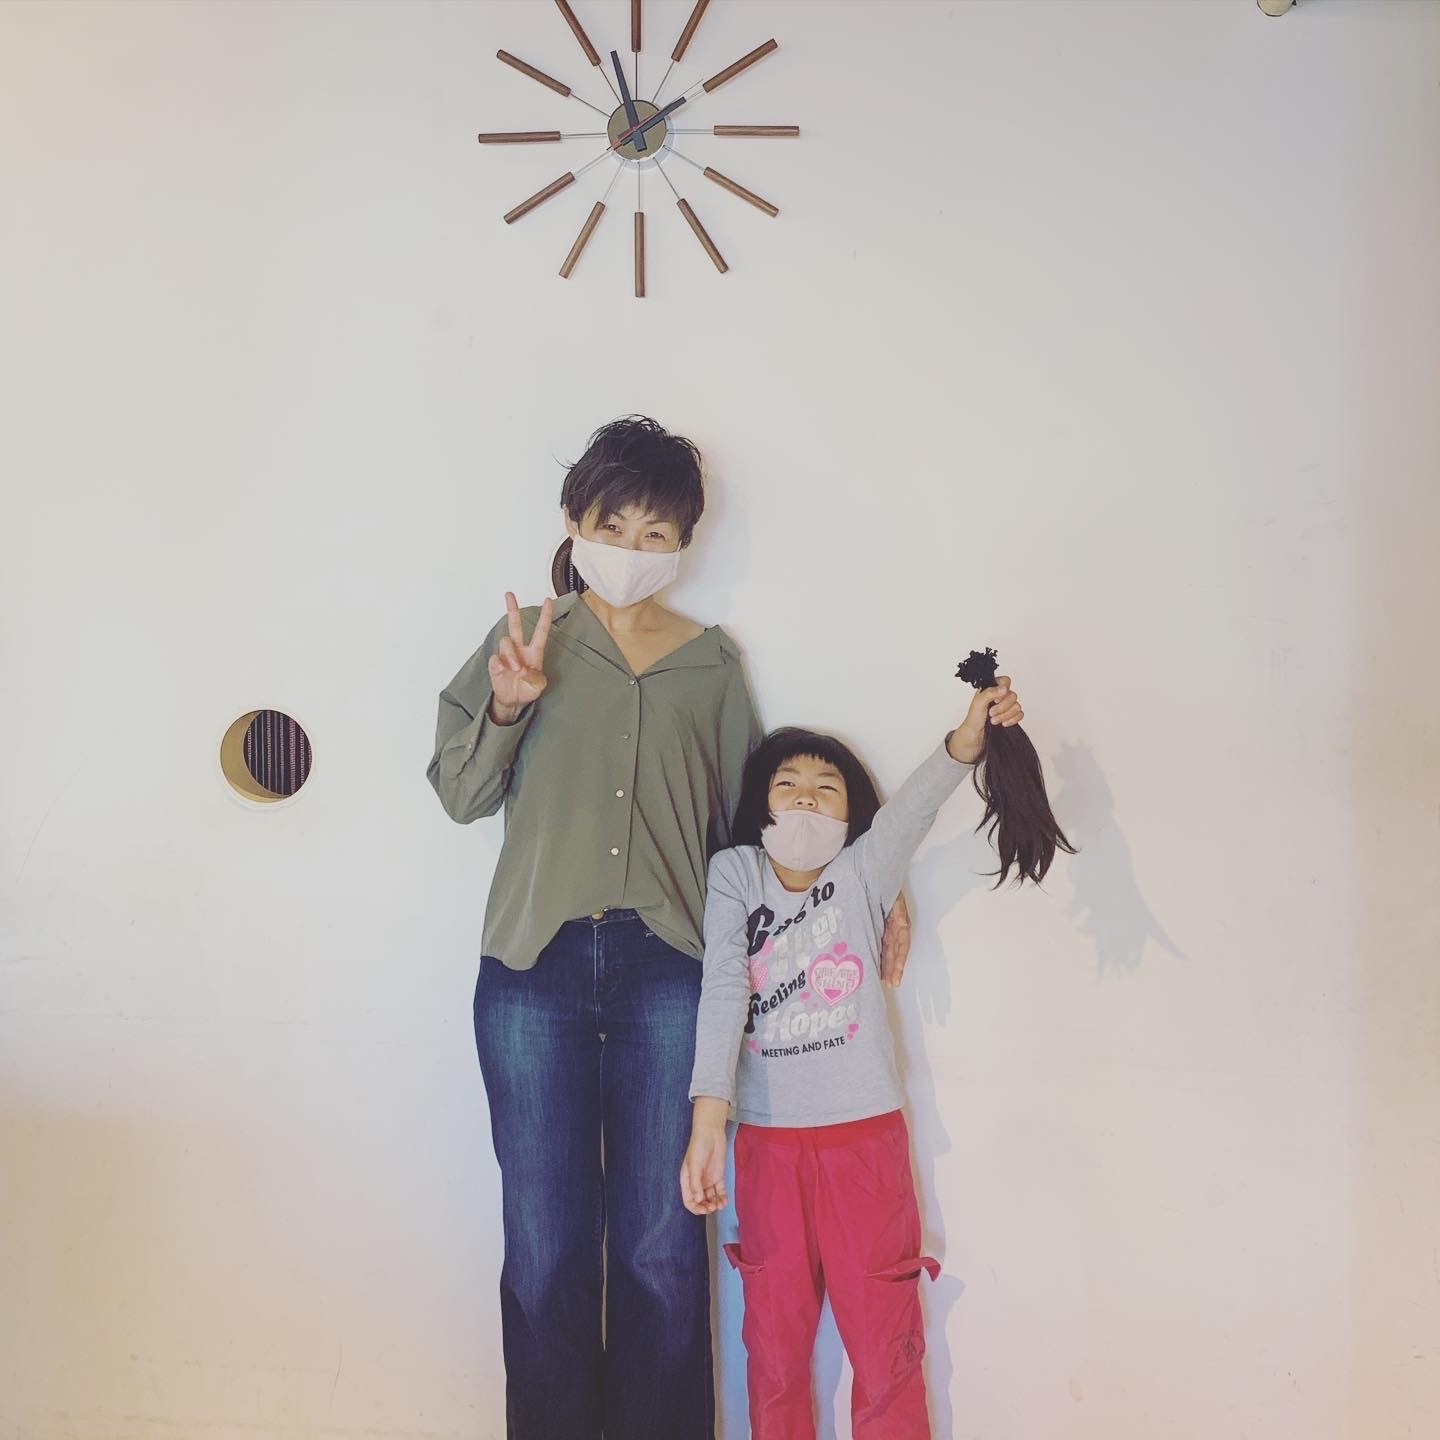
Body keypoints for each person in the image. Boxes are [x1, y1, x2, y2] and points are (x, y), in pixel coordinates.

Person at [426, 416, 913, 1440]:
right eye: (615, 526)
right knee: (545, 1247)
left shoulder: (711, 664)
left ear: (684, 543)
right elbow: (461, 795)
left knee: (659, 1247)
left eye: (657, 534)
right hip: (532, 969)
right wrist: (508, 708)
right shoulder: (527, 641)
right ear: (575, 520)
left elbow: (755, 828)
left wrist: (869, 885)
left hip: (670, 974)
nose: (633, 550)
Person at [681, 676, 1026, 1440]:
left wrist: (967, 737)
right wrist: (708, 1124)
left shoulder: (864, 873)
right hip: (767, 1147)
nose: (806, 796)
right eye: (789, 783)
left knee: (885, 1345)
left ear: (850, 814)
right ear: (762, 802)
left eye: (827, 786)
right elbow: (722, 988)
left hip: (864, 1144)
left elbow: (917, 806)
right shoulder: (734, 874)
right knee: (774, 1353)